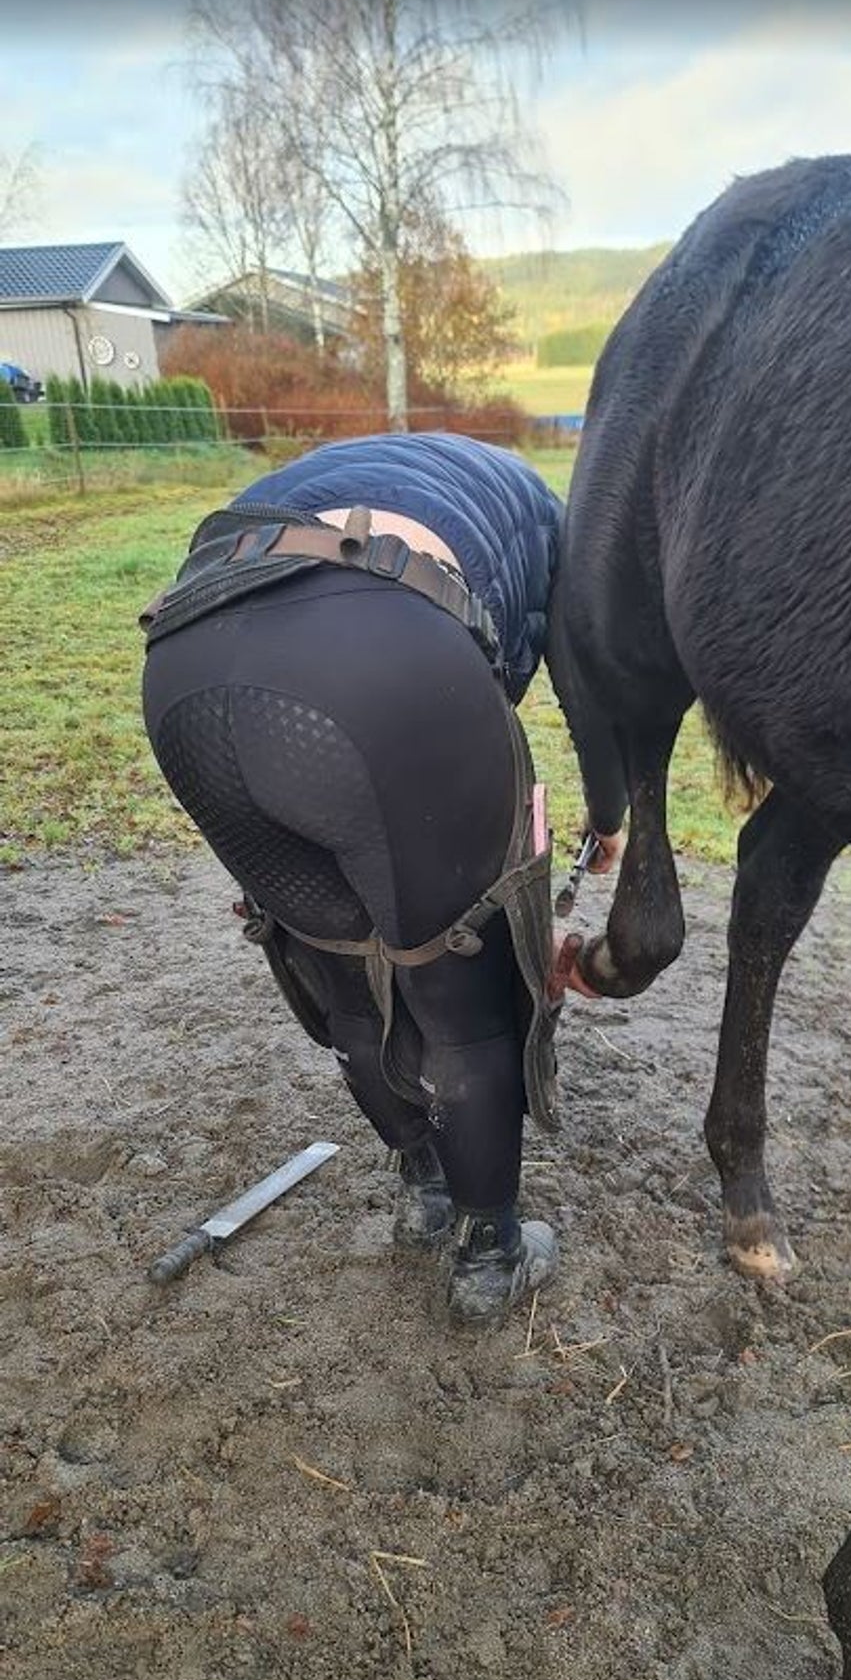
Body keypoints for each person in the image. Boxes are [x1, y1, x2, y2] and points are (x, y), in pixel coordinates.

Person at [140, 431, 619, 1324]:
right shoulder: (542, 511)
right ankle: (490, 1252)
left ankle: (424, 1185)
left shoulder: (327, 470)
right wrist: (611, 813)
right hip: (376, 662)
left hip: (182, 672)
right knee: (456, 987)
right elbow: (582, 680)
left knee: (342, 971)